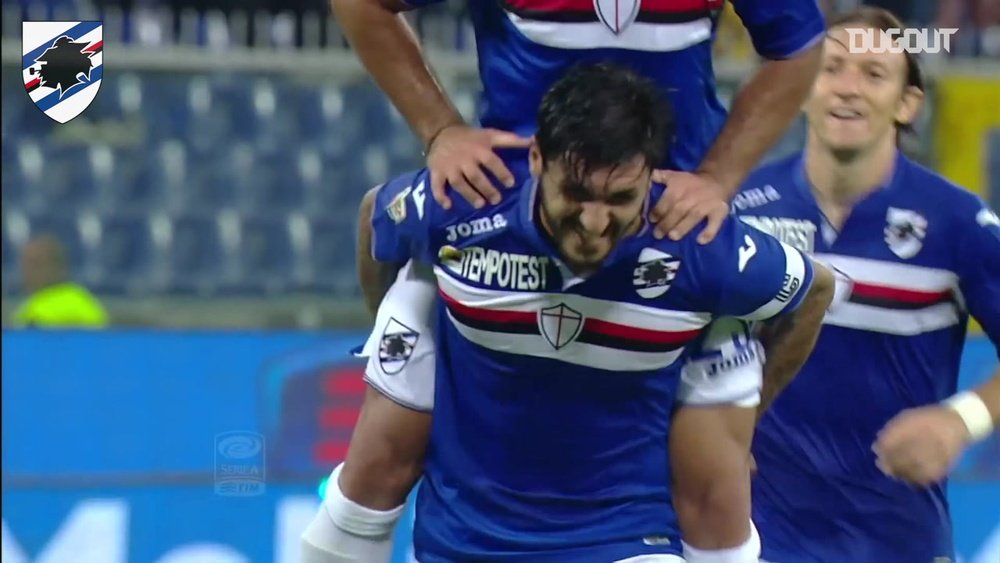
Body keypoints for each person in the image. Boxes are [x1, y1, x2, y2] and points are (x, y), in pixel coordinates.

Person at [303, 62, 835, 562]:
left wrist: (751, 418)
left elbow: (814, 292)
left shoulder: (699, 247)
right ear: (537, 159)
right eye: (576, 193)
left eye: (621, 199)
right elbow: (378, 217)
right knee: (413, 301)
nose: (595, 221)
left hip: (626, 537)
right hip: (465, 539)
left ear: (652, 178)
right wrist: (391, 339)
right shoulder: (468, 201)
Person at [724, 7, 1000, 562]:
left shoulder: (958, 223)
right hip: (756, 543)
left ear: (906, 103)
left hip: (901, 545)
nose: (848, 89)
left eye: (873, 74)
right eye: (833, 68)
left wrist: (959, 421)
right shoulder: (736, 213)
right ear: (803, 86)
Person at [12, 235, 108, 328]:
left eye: (36, 265)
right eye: (25, 265)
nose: (28, 272)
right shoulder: (27, 309)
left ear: (59, 267)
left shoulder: (82, 305)